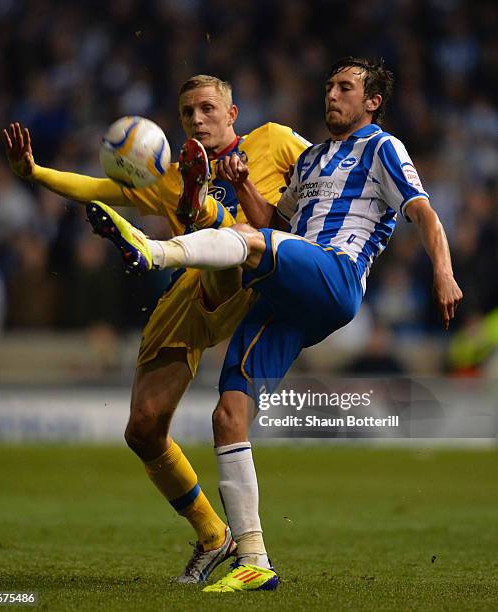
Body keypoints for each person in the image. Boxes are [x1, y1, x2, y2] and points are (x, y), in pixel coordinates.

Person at [85, 57, 463, 592]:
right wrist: (241, 186)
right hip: (291, 287)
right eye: (330, 84)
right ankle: (254, 560)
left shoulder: (383, 147)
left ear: (372, 102)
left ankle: (154, 251)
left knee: (246, 243)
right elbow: (273, 224)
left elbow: (422, 212)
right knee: (228, 413)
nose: (333, 94)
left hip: (335, 274)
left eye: (347, 87)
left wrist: (444, 273)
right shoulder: (310, 161)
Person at [3, 74, 309, 583]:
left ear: (232, 114)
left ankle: (190, 220)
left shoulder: (274, 140)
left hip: (249, 273)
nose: (196, 119)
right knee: (143, 430)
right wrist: (34, 171)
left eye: (208, 108)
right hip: (188, 291)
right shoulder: (165, 174)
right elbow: (97, 188)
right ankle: (215, 535)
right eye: (187, 112)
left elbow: (326, 176)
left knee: (233, 240)